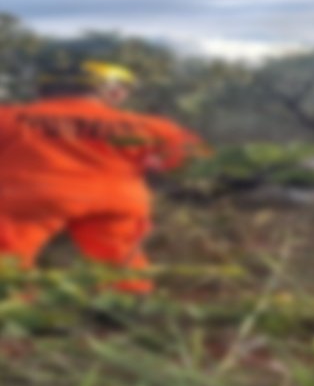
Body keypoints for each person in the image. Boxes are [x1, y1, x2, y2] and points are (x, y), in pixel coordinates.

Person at [0, 60, 203, 293]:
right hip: (116, 200)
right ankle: (129, 308)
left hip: (30, 198)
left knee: (8, 259)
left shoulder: (8, 117)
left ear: (42, 90)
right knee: (119, 263)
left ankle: (13, 311)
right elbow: (193, 153)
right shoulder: (147, 125)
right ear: (114, 92)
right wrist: (161, 162)